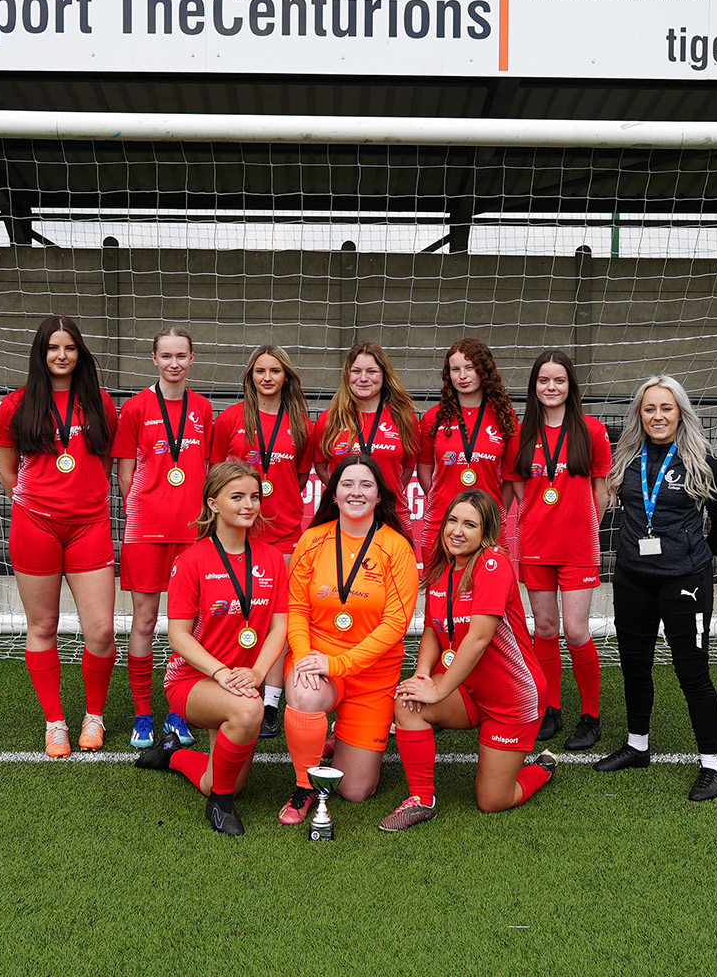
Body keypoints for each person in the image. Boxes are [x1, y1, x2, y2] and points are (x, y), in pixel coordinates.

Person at [594, 375, 717, 802]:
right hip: (633, 579)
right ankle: (637, 745)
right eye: (649, 408)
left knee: (692, 674)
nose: (658, 416)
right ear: (640, 413)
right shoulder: (626, 458)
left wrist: (695, 560)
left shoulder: (702, 460)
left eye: (666, 408)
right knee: (635, 666)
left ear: (680, 413)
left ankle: (710, 764)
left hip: (684, 583)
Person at [382, 489, 555, 832]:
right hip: (469, 690)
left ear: (486, 532)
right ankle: (422, 799)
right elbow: (432, 628)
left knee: (493, 801)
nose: (457, 531)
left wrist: (439, 689)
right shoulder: (441, 569)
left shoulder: (493, 563)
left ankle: (544, 768)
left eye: (469, 524)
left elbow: (478, 638)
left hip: (512, 698)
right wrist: (422, 677)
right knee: (408, 700)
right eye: (452, 521)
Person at [134, 462, 289, 837]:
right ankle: (220, 807)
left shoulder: (272, 559)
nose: (249, 505)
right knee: (250, 711)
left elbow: (279, 627)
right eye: (237, 497)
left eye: (254, 496)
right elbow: (179, 637)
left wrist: (255, 673)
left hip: (244, 681)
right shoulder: (191, 561)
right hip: (194, 680)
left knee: (225, 778)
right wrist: (221, 672)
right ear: (213, 503)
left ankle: (174, 757)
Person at [0, 316, 119, 756]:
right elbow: (9, 471)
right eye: (52, 348)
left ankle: (95, 716)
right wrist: (39, 504)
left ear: (80, 353)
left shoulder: (101, 403)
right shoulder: (15, 406)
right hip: (35, 527)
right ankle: (55, 723)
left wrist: (80, 497)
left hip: (89, 525)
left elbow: (102, 464)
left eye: (69, 347)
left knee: (101, 630)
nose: (61, 355)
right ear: (40, 354)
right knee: (43, 625)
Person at [278, 452, 418, 824]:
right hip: (321, 662)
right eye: (347, 484)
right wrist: (307, 657)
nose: (356, 492)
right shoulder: (312, 540)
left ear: (378, 496)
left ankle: (338, 736)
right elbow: (296, 609)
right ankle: (304, 784)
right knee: (306, 693)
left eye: (366, 484)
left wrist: (337, 662)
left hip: (372, 676)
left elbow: (396, 624)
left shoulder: (397, 548)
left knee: (355, 791)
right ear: (334, 494)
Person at [505, 349, 614, 751]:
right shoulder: (521, 434)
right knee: (546, 629)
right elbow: (521, 493)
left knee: (576, 631)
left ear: (570, 386)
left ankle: (591, 717)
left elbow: (600, 491)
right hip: (535, 547)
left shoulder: (592, 430)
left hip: (577, 549)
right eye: (544, 380)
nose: (551, 387)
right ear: (534, 387)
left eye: (559, 380)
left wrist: (581, 529)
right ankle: (550, 708)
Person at [111, 327, 214, 750]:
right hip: (145, 532)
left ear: (192, 360)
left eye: (181, 356)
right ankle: (141, 714)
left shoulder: (204, 409)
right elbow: (123, 474)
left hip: (191, 533)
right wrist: (144, 514)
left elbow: (207, 470)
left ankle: (178, 708)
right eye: (166, 356)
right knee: (146, 621)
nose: (174, 363)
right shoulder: (135, 408)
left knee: (188, 624)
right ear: (154, 359)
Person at [208, 344, 314, 740]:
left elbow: (300, 478)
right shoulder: (232, 419)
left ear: (286, 375)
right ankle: (233, 691)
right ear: (250, 377)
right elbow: (217, 475)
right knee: (239, 611)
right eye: (259, 371)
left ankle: (271, 701)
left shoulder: (301, 422)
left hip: (284, 533)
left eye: (274, 370)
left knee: (277, 621)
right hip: (238, 534)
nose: (267, 378)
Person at [416, 336, 517, 554]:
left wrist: (496, 510)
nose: (462, 376)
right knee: (442, 588)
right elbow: (423, 467)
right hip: (442, 523)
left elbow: (511, 476)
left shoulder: (504, 417)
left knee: (487, 587)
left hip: (487, 526)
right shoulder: (433, 418)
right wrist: (438, 497)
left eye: (470, 368)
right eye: (455, 369)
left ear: (484, 370)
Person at [311, 342, 420, 537]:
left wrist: (382, 492)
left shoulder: (404, 418)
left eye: (371, 371)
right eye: (356, 371)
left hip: (392, 516)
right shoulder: (330, 419)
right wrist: (350, 494)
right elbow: (321, 466)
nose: (363, 378)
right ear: (347, 375)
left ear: (384, 375)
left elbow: (407, 469)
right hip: (344, 517)